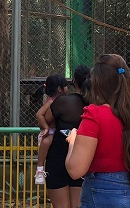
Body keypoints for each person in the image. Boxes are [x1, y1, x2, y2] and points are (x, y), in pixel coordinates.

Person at [65, 54, 130, 207]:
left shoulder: (95, 115)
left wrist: (73, 141)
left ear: (97, 83)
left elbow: (75, 170)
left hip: (103, 195)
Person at [43, 66, 89, 208]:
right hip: (82, 160)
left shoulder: (62, 102)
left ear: (73, 81)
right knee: (77, 205)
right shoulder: (94, 104)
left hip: (58, 158)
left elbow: (47, 121)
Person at [35, 75, 67, 185]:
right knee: (46, 141)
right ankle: (39, 168)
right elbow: (39, 114)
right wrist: (46, 127)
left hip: (61, 131)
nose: (67, 88)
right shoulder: (51, 101)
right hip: (52, 131)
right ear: (59, 89)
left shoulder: (65, 100)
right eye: (66, 86)